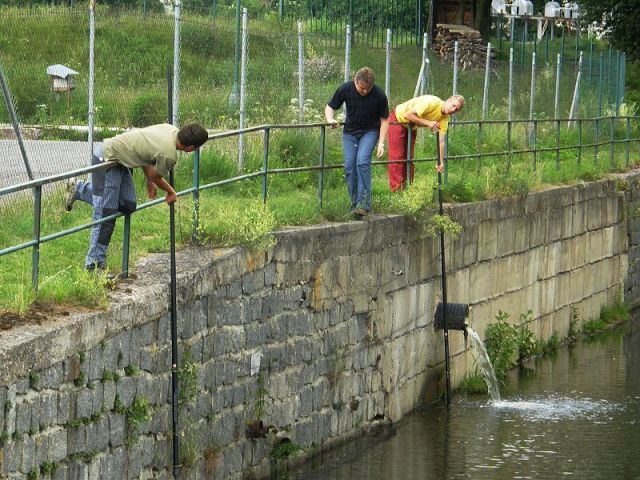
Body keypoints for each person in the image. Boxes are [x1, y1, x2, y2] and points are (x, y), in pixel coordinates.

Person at [65, 122, 209, 272]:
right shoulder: (169, 154)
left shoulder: (170, 129)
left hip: (120, 161)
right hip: (107, 158)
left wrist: (149, 181)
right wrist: (171, 192)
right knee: (106, 215)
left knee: (128, 204)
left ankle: (79, 189)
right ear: (191, 148)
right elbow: (156, 175)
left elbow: (144, 152)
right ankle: (94, 265)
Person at [325, 67, 389, 218]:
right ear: (355, 80)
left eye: (368, 89)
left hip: (370, 131)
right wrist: (330, 119)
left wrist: (381, 142)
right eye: (362, 88)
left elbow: (385, 119)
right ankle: (354, 204)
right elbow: (330, 107)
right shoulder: (345, 88)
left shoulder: (379, 95)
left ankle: (364, 204)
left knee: (362, 162)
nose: (365, 92)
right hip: (350, 132)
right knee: (349, 166)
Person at [387, 94, 464, 191]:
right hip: (398, 119)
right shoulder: (432, 103)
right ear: (448, 100)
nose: (453, 110)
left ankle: (408, 190)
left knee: (409, 158)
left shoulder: (445, 118)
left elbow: (441, 141)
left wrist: (440, 162)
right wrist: (428, 123)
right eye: (453, 105)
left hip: (412, 125)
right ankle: (396, 191)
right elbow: (408, 115)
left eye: (456, 109)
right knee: (397, 157)